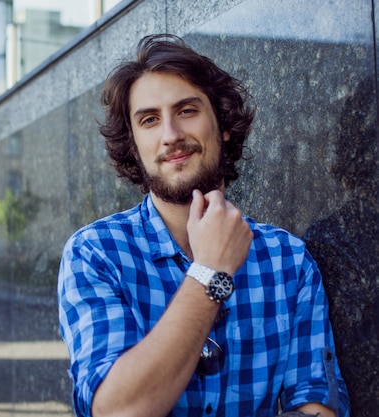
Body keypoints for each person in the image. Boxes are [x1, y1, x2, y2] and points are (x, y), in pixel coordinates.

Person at [57, 34, 349, 417]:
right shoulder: (95, 254)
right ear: (133, 144)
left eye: (187, 110)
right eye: (149, 120)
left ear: (223, 124)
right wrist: (210, 272)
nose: (171, 135)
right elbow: (117, 410)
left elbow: (318, 405)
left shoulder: (288, 260)